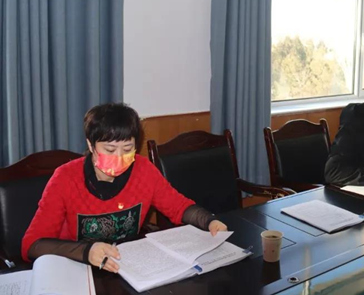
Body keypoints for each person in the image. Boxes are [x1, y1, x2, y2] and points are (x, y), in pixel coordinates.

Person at [21, 103, 227, 273]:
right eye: (110, 149)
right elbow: (31, 245)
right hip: (77, 268)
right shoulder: (65, 178)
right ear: (91, 145)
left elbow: (178, 206)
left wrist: (209, 221)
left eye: (127, 149)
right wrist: (86, 251)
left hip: (127, 266)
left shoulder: (144, 171)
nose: (119, 157)